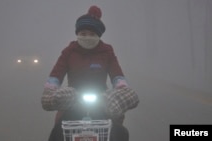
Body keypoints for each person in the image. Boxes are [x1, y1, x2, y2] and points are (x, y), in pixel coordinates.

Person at [41, 5, 139, 141]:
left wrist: (122, 90)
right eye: (83, 33)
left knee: (119, 133)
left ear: (98, 35)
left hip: (102, 102)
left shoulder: (107, 52)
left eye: (92, 34)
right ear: (77, 34)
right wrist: (50, 91)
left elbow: (117, 76)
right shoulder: (69, 52)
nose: (87, 37)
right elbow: (55, 76)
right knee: (57, 133)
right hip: (71, 101)